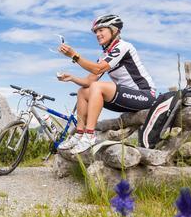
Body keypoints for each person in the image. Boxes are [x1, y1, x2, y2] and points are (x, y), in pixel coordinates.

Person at [56, 14, 156, 154]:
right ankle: (79, 134)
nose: (97, 34)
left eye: (101, 30)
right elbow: (89, 81)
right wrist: (72, 77)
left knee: (97, 87)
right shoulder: (105, 55)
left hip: (145, 95)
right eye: (96, 31)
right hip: (127, 98)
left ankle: (90, 135)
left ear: (114, 30)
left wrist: (74, 55)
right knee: (83, 91)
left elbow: (98, 69)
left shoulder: (123, 46)